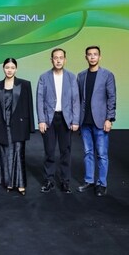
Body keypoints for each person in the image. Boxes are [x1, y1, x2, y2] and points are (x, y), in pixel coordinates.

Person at [36, 48, 80, 194]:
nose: (58, 60)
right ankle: (49, 181)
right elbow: (39, 100)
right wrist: (41, 120)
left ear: (65, 60)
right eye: (56, 58)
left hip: (66, 119)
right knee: (49, 151)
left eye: (61, 57)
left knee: (65, 152)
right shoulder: (44, 77)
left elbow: (75, 100)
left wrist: (75, 120)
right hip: (49, 119)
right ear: (51, 60)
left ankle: (65, 182)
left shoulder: (71, 77)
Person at [0, 58, 35, 196]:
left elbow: (29, 105)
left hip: (19, 124)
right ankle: (9, 182)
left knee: (19, 153)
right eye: (7, 67)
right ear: (3, 68)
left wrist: (31, 126)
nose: (9, 70)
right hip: (2, 125)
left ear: (16, 69)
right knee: (5, 153)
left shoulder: (25, 84)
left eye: (12, 67)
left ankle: (21, 184)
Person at [77, 46, 117, 197]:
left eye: (95, 54)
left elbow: (112, 97)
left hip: (100, 121)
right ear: (86, 57)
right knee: (88, 153)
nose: (92, 57)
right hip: (85, 122)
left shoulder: (107, 75)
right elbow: (78, 99)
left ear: (100, 57)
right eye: (89, 54)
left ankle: (102, 184)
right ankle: (89, 180)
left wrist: (109, 118)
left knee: (101, 154)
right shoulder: (81, 76)